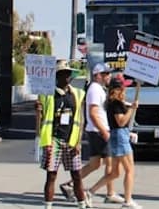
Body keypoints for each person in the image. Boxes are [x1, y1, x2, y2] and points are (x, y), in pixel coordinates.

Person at [65, 64, 120, 204]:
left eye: (109, 73)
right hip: (99, 131)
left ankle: (70, 184)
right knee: (111, 164)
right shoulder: (95, 89)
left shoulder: (98, 89)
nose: (109, 76)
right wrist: (104, 132)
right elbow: (93, 113)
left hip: (95, 130)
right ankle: (109, 193)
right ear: (97, 75)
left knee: (95, 164)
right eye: (105, 74)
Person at [36, 60, 87, 209]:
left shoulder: (77, 94)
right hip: (53, 139)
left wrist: (78, 141)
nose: (67, 77)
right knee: (51, 175)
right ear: (57, 76)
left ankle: (82, 204)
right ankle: (48, 206)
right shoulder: (47, 95)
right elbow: (40, 119)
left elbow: (80, 120)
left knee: (76, 175)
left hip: (71, 140)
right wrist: (38, 112)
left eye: (68, 73)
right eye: (63, 73)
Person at [90, 78, 140, 209]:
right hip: (119, 136)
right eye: (123, 88)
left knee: (115, 172)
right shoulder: (116, 103)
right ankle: (128, 201)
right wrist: (132, 109)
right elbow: (121, 122)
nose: (125, 90)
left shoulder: (113, 103)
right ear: (118, 89)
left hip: (118, 135)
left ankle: (90, 192)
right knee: (130, 170)